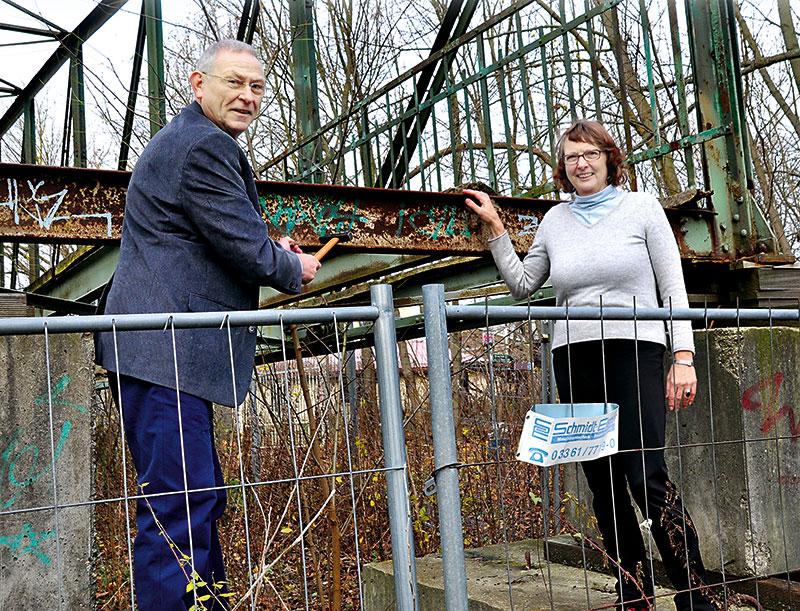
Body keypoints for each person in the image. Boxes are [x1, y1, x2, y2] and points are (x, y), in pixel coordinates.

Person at [95, 39, 321, 610]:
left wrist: (270, 249)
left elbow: (210, 237)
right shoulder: (205, 146)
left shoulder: (188, 140)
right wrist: (292, 265)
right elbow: (244, 247)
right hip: (164, 352)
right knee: (179, 504)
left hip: (163, 353)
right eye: (233, 83)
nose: (247, 97)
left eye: (257, 87)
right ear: (198, 84)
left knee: (193, 497)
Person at [464, 119, 716, 610]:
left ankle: (698, 597)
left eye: (590, 155)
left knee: (645, 473)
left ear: (609, 160)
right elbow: (523, 284)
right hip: (573, 356)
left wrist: (682, 356)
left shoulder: (641, 208)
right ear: (563, 168)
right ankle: (634, 595)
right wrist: (496, 230)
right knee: (602, 483)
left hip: (634, 349)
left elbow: (673, 288)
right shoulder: (555, 221)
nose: (580, 164)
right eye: (571, 157)